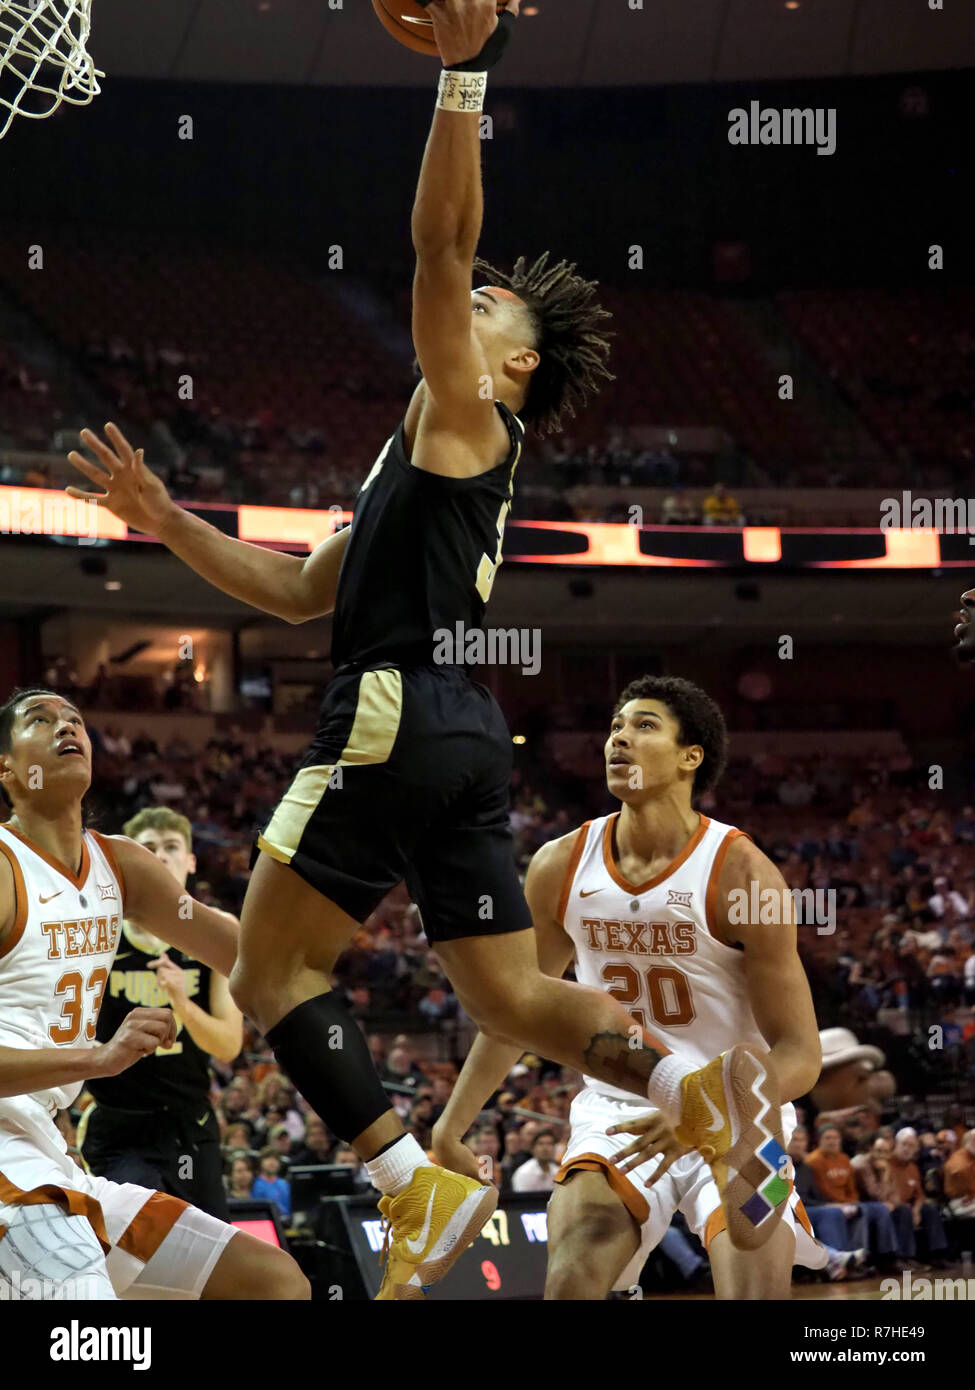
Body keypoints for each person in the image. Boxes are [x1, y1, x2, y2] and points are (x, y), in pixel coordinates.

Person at [65, 2, 790, 1299]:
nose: (474, 301)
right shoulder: (420, 465)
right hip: (457, 732)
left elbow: (439, 241)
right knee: (511, 1002)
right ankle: (686, 1080)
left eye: (493, 310)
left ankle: (414, 1188)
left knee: (272, 965)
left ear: (506, 365)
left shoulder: (468, 414)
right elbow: (292, 589)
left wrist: (467, 75)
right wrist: (170, 521)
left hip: (393, 709)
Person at [434, 676, 825, 1299]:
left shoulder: (743, 873)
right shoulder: (561, 864)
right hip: (621, 1111)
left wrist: (712, 1107)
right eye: (615, 727)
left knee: (757, 1290)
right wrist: (449, 1128)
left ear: (690, 756)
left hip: (741, 1112)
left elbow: (801, 1057)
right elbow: (518, 1009)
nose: (619, 738)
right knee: (572, 1275)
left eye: (644, 726)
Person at [0, 688, 307, 1300]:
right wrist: (101, 1058)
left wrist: (323, 884)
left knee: (274, 1283)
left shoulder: (122, 864)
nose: (67, 726)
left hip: (50, 1153)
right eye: (41, 720)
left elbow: (256, 955)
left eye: (76, 719)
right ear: (6, 767)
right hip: (11, 1159)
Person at [78, 807, 243, 1219]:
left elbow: (228, 1046)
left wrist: (182, 1001)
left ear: (190, 861)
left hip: (192, 1123)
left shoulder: (218, 930)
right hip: (120, 1123)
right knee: (139, 1251)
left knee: (213, 1269)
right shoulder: (98, 932)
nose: (161, 856)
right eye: (148, 848)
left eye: (171, 847)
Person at [510, 1130, 559, 1194]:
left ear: (554, 1148)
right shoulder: (524, 1173)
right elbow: (521, 1201)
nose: (545, 1148)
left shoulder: (558, 1172)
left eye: (549, 1144)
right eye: (541, 1144)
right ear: (533, 1149)